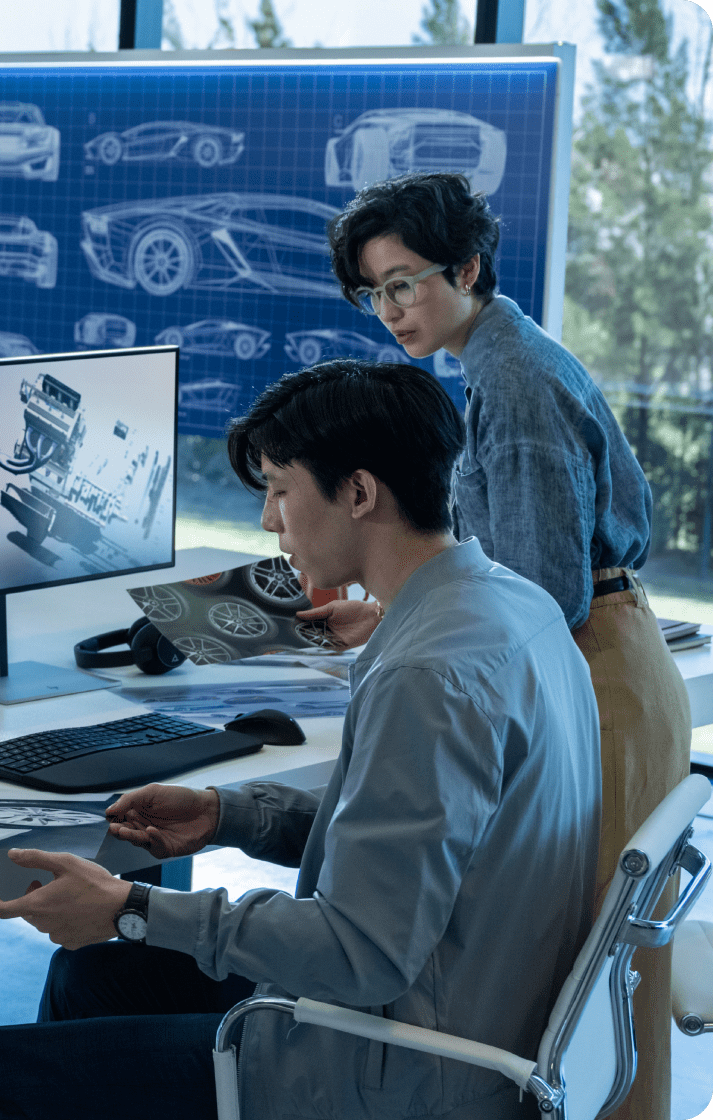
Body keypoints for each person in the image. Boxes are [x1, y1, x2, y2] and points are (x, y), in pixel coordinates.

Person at [0, 360, 601, 1120]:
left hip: (397, 1065)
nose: (268, 522)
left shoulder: (425, 674)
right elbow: (423, 847)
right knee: (90, 981)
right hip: (467, 1002)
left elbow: (359, 951)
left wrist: (131, 906)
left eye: (280, 489)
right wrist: (230, 816)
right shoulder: (520, 609)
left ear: (360, 493)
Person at [321, 172, 690, 1120]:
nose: (390, 309)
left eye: (406, 282)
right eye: (374, 290)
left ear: (469, 267)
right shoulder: (500, 358)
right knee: (603, 972)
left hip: (593, 661)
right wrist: (396, 613)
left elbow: (541, 595)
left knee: (596, 981)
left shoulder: (513, 384)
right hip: (600, 646)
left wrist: (429, 631)